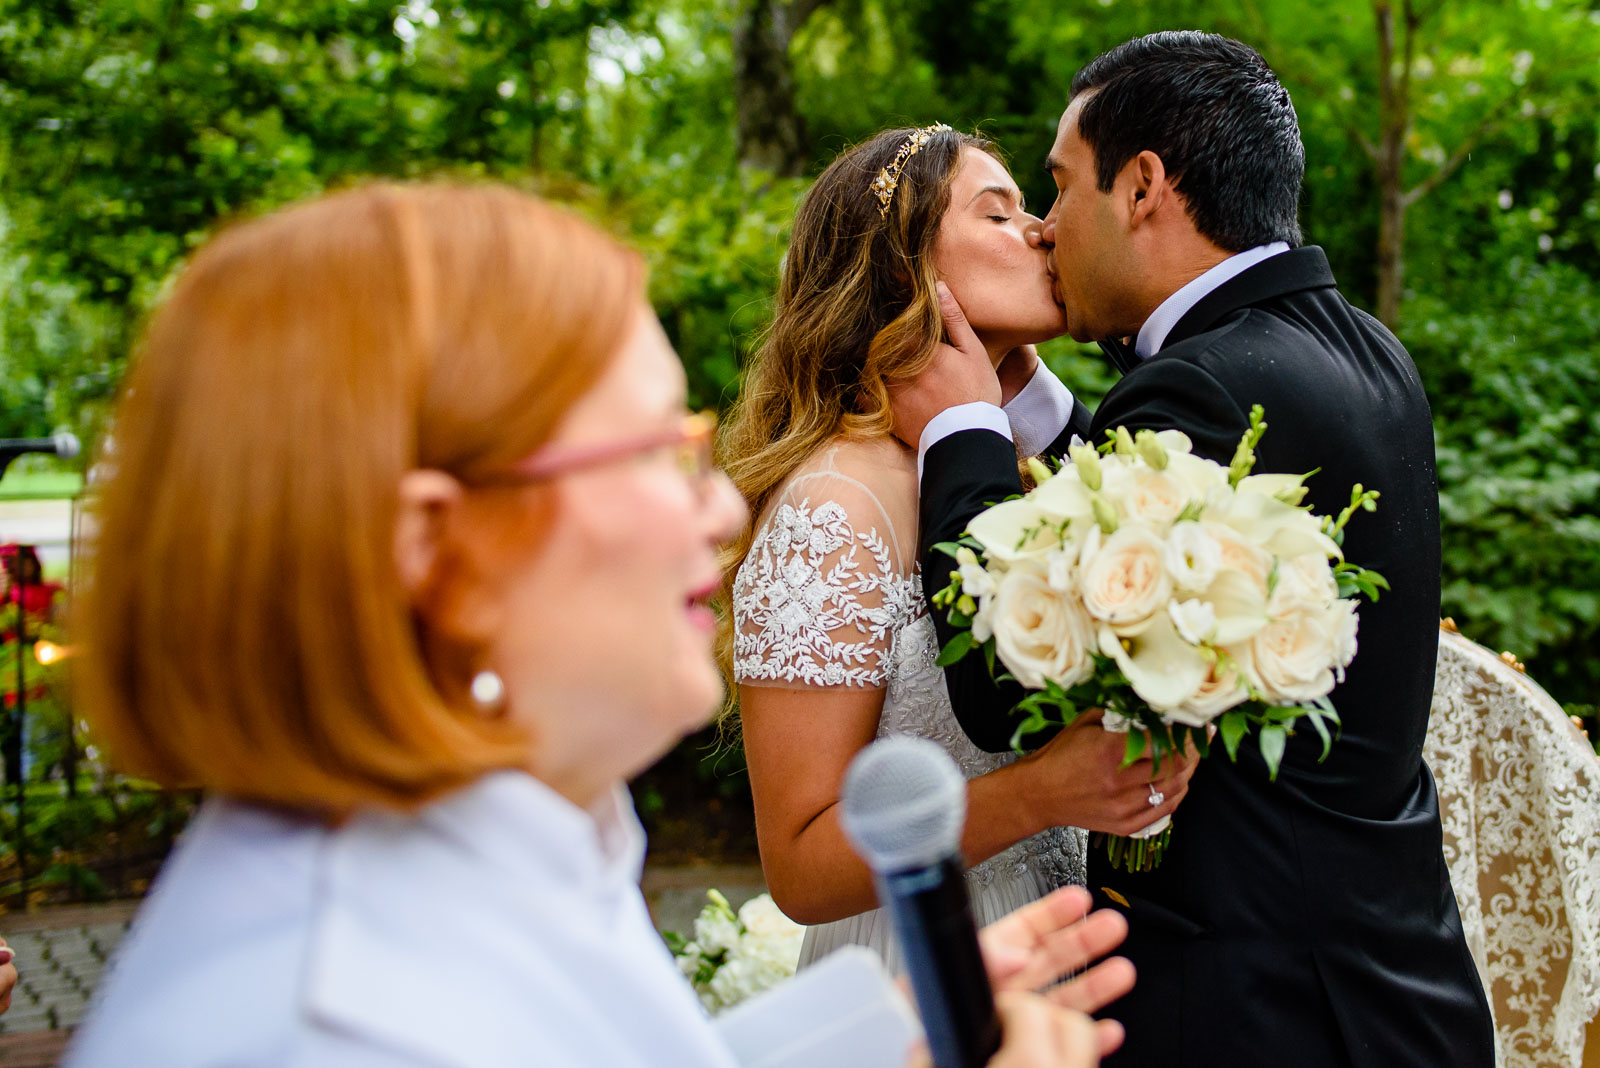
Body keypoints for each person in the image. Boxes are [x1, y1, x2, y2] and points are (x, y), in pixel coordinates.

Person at [65, 182, 1132, 1066]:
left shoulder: (514, 829)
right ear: (436, 547)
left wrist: (884, 1035)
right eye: (649, 455)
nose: (719, 508)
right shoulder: (334, 1031)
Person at [890, 31, 1496, 1067]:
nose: (1043, 230)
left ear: (1141, 187)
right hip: (1391, 982)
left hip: (1263, 1008)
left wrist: (961, 432)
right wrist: (1032, 406)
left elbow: (1004, 678)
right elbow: (1153, 528)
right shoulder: (1356, 348)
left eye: (1060, 188)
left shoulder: (1206, 386)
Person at [719, 125, 1199, 973]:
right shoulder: (835, 505)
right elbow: (798, 864)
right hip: (929, 972)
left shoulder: (996, 471)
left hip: (1066, 953)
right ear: (910, 269)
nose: (1043, 230)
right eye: (999, 213)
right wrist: (1043, 793)